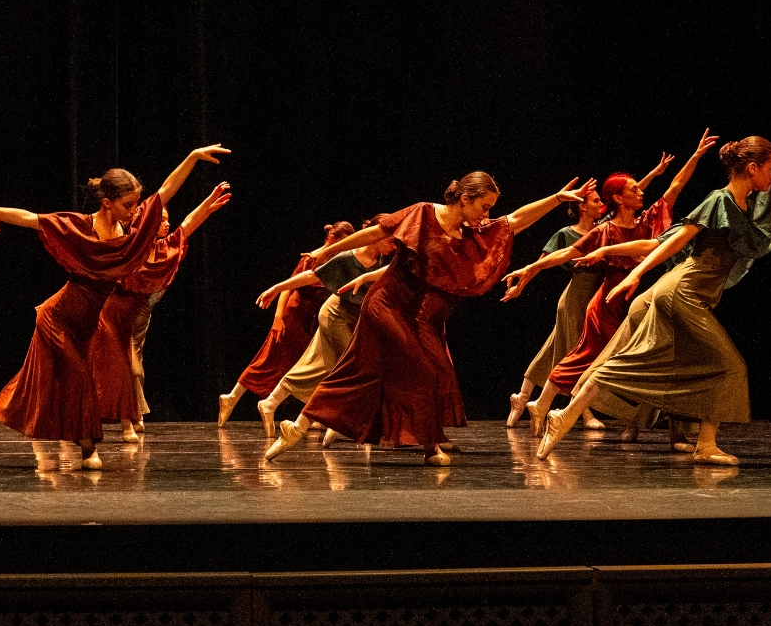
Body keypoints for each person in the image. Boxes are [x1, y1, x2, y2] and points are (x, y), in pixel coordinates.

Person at [263, 172, 596, 466]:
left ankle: (301, 426)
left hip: (423, 316)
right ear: (465, 199)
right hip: (388, 304)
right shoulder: (423, 213)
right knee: (419, 367)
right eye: (484, 206)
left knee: (387, 368)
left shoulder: (470, 233)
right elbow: (374, 233)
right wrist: (327, 251)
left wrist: (555, 199)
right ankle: (431, 446)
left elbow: (515, 220)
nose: (487, 215)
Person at [0, 144, 230, 470]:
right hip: (58, 318)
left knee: (34, 381)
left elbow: (165, 193)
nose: (134, 210)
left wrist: (193, 158)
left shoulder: (129, 234)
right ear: (107, 203)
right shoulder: (79, 226)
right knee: (80, 377)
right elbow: (29, 219)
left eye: (136, 204)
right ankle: (87, 451)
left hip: (87, 325)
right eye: (127, 205)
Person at [538, 137, 771, 465]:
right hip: (682, 293)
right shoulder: (719, 200)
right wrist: (637, 274)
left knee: (635, 361)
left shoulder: (744, 205)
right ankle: (705, 445)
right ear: (753, 168)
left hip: (694, 297)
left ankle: (564, 415)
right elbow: (673, 242)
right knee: (731, 366)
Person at [505, 131, 716, 434]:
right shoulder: (604, 231)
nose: (641, 192)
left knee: (648, 357)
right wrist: (529, 268)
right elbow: (567, 251)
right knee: (587, 354)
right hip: (608, 300)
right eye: (633, 190)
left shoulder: (646, 222)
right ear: (618, 198)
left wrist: (695, 156)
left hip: (640, 293)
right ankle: (545, 403)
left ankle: (633, 421)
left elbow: (676, 186)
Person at [92, 182, 231, 442]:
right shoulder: (130, 244)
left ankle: (128, 418)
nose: (166, 224)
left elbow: (188, 225)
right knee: (125, 366)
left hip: (140, 314)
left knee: (131, 367)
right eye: (161, 220)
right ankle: (127, 422)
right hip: (112, 310)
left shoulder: (164, 250)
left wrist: (207, 207)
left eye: (167, 220)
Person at [255, 216, 395, 435]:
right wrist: (276, 288)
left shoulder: (381, 263)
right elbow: (311, 275)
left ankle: (270, 403)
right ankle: (338, 420)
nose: (394, 245)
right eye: (390, 239)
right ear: (375, 235)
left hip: (354, 317)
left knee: (316, 366)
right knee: (354, 366)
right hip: (335, 315)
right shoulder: (348, 257)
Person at [217, 220, 355, 429]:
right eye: (343, 243)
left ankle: (312, 414)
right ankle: (234, 398)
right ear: (333, 239)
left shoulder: (337, 259)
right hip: (295, 314)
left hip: (311, 320)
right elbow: (287, 287)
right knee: (271, 360)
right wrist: (278, 318)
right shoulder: (311, 259)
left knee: (310, 366)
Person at [504, 184, 610, 431]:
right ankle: (584, 412)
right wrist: (520, 286)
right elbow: (542, 263)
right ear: (582, 206)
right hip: (575, 298)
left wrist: (655, 174)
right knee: (577, 353)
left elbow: (622, 205)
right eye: (596, 201)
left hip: (595, 297)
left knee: (554, 347)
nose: (601, 205)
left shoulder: (602, 230)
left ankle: (522, 397)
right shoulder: (566, 233)